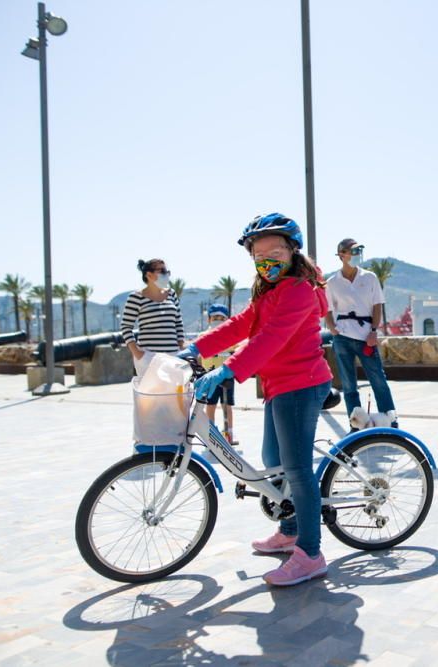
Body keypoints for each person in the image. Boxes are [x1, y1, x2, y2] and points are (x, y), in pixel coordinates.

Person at [181, 213, 333, 586]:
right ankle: (292, 528)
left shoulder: (299, 289)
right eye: (258, 255)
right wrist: (195, 349)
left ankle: (311, 554)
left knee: (297, 471)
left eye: (275, 252)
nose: (267, 261)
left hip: (302, 384)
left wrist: (228, 370)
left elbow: (272, 339)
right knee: (274, 462)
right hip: (279, 385)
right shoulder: (267, 291)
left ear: (292, 251)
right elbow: (241, 325)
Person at [324, 238, 398, 430]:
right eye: (354, 251)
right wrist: (333, 329)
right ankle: (356, 425)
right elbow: (327, 309)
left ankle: (391, 421)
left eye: (359, 251)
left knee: (378, 381)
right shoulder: (332, 282)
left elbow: (377, 305)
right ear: (342, 255)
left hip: (367, 337)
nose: (358, 255)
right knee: (349, 386)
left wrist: (374, 330)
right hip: (342, 338)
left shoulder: (370, 277)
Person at [121, 258, 186, 366]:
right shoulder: (136, 297)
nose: (166, 274)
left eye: (167, 271)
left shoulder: (171, 294)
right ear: (149, 275)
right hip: (148, 357)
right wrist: (137, 353)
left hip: (174, 356)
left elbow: (178, 323)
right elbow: (126, 327)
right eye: (162, 271)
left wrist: (181, 347)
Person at [199, 304, 237, 445]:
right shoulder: (203, 335)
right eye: (215, 317)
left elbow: (236, 349)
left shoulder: (231, 336)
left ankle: (229, 433)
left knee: (227, 405)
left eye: (222, 318)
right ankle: (211, 435)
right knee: (211, 405)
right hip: (210, 376)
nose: (218, 320)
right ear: (209, 319)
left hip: (227, 376)